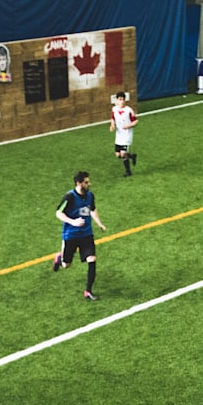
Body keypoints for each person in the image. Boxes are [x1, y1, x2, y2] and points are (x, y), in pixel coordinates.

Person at [51, 170, 107, 301]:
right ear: (78, 183)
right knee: (66, 265)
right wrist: (73, 222)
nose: (89, 184)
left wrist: (99, 223)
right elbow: (58, 213)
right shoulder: (70, 197)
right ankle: (59, 258)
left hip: (86, 234)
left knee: (92, 259)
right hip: (71, 235)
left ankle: (88, 291)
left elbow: (92, 209)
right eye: (86, 182)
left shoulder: (90, 196)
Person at [109, 91, 138, 176]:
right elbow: (113, 118)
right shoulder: (114, 109)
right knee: (118, 154)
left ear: (125, 100)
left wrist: (128, 126)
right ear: (117, 100)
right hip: (119, 135)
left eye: (123, 99)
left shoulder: (129, 110)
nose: (121, 101)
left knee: (123, 153)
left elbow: (135, 121)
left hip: (127, 135)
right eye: (119, 99)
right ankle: (132, 156)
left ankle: (128, 171)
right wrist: (112, 125)